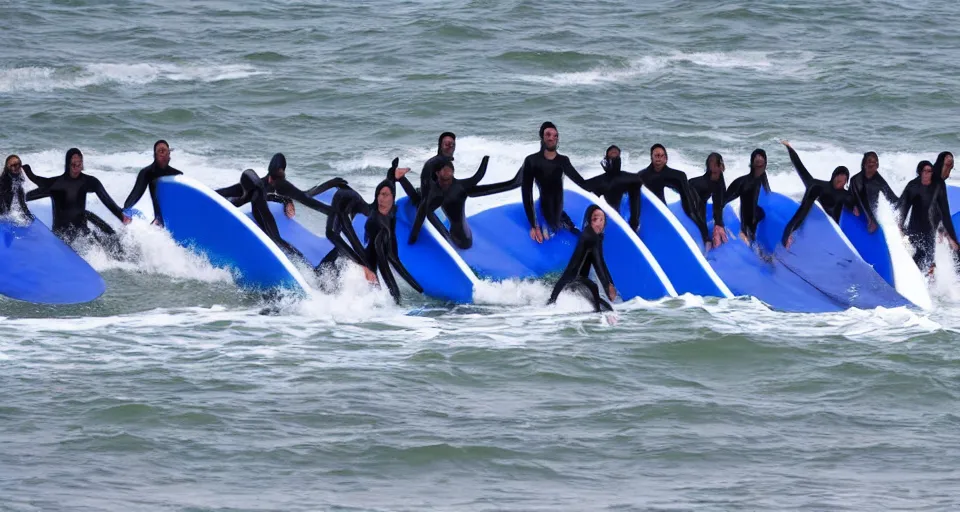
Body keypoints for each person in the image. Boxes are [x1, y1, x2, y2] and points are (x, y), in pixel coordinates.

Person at [319, 158, 423, 305]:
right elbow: (352, 240)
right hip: (361, 250)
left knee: (385, 266)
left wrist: (392, 175)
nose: (382, 198)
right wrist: (365, 267)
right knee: (331, 267)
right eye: (380, 194)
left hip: (368, 247)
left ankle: (399, 300)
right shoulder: (372, 218)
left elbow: (355, 241)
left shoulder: (385, 213)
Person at [24, 148, 131, 253]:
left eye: (79, 164)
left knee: (105, 233)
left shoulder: (89, 181)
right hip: (62, 235)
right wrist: (26, 171)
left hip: (81, 232)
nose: (76, 168)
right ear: (68, 165)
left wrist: (120, 215)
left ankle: (120, 249)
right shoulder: (55, 184)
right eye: (73, 164)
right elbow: (32, 189)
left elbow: (105, 198)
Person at [215, 168, 309, 262]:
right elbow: (270, 195)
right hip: (257, 204)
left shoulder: (258, 191)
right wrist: (286, 201)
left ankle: (301, 261)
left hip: (260, 209)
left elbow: (270, 196)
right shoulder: (252, 188)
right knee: (277, 239)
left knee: (276, 239)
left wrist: (287, 201)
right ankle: (302, 261)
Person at [521, 121, 589, 243]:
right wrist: (533, 225)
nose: (552, 138)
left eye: (555, 135)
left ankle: (561, 221)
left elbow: (582, 182)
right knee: (544, 238)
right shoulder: (532, 161)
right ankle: (547, 222)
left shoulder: (563, 160)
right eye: (548, 134)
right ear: (542, 137)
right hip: (543, 210)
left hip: (559, 210)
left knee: (578, 234)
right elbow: (527, 192)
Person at [779, 140, 855, 248]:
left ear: (846, 182)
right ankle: (787, 236)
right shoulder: (819, 187)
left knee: (839, 206)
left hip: (828, 222)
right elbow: (799, 166)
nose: (840, 183)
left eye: (843, 182)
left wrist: (855, 209)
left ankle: (837, 238)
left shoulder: (845, 194)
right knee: (802, 212)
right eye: (838, 180)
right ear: (833, 177)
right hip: (814, 201)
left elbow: (853, 202)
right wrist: (789, 148)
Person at [636, 144, 711, 247]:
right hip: (656, 206)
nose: (659, 158)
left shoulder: (677, 175)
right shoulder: (643, 175)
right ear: (651, 157)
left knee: (691, 210)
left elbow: (687, 195)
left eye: (662, 155)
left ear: (666, 158)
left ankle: (706, 238)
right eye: (656, 155)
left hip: (685, 196)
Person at [547, 204, 616, 312]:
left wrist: (610, 284)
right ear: (589, 220)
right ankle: (598, 319)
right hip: (574, 280)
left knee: (605, 305)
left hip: (571, 281)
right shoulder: (590, 237)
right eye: (595, 219)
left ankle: (551, 301)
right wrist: (607, 287)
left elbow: (600, 261)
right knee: (596, 292)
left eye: (602, 220)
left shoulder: (592, 235)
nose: (599, 223)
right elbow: (598, 265)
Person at [897, 160, 959, 273]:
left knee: (930, 260)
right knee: (919, 255)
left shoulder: (935, 188)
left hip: (930, 230)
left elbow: (941, 212)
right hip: (915, 229)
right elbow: (904, 208)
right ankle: (912, 276)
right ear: (920, 173)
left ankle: (928, 284)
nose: (928, 174)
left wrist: (945, 233)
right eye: (925, 171)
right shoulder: (913, 186)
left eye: (930, 171)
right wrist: (899, 227)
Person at [582, 145, 643, 231]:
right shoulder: (601, 181)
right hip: (610, 205)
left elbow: (643, 179)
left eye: (616, 153)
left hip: (622, 197)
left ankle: (634, 224)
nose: (614, 152)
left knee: (636, 186)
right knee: (594, 196)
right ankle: (591, 225)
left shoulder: (627, 178)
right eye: (611, 153)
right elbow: (582, 187)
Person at [122, 140, 183, 226]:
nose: (163, 155)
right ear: (155, 155)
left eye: (166, 151)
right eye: (160, 151)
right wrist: (126, 211)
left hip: (175, 220)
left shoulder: (177, 175)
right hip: (158, 222)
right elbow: (135, 195)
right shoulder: (147, 173)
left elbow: (181, 201)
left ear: (169, 155)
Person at [724, 148, 771, 243]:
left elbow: (767, 195)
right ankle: (745, 234)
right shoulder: (743, 183)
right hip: (746, 225)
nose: (759, 158)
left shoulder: (762, 178)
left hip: (756, 222)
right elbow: (723, 201)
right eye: (756, 157)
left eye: (761, 156)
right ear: (752, 163)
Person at [849, 151, 899, 233]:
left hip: (872, 213)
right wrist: (853, 206)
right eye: (869, 161)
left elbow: (892, 198)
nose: (872, 164)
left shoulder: (879, 181)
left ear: (877, 165)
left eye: (874, 162)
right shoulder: (855, 180)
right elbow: (853, 197)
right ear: (864, 164)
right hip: (857, 213)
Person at [688, 152, 728, 247]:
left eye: (718, 165)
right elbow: (700, 208)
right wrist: (706, 236)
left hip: (700, 200)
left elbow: (719, 202)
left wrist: (718, 224)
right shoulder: (703, 184)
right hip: (691, 200)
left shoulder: (719, 179)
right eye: (713, 167)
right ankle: (705, 239)